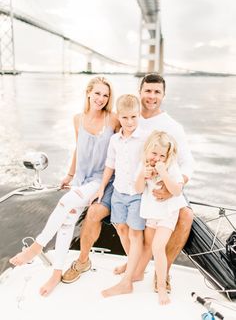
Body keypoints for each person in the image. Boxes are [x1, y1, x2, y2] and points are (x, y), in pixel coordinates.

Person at [62, 73, 194, 291]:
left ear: (163, 95)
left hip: (159, 182)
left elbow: (187, 163)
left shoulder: (172, 126)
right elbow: (100, 145)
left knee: (186, 214)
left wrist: (173, 189)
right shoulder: (122, 115)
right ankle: (83, 261)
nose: (151, 96)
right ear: (139, 91)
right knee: (95, 212)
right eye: (148, 91)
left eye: (157, 92)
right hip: (121, 183)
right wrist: (74, 175)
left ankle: (163, 272)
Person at [9, 76, 120, 296]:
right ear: (88, 92)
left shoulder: (113, 119)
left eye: (105, 95)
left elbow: (122, 149)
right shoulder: (77, 119)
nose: (101, 98)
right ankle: (56, 273)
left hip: (100, 180)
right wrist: (70, 174)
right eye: (97, 93)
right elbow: (78, 149)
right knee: (67, 221)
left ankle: (37, 247)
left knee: (65, 202)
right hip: (81, 178)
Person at [96, 94, 146, 297]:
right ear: (119, 117)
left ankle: (128, 282)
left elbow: (150, 163)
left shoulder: (145, 138)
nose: (130, 122)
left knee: (135, 234)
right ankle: (131, 264)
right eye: (125, 118)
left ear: (139, 114)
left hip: (137, 194)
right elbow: (110, 163)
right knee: (122, 229)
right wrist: (101, 188)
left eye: (134, 117)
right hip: (118, 191)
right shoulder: (115, 140)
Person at [135, 130, 187, 304]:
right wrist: (143, 175)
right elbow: (139, 189)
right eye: (154, 153)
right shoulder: (144, 165)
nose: (157, 158)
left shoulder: (171, 167)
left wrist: (164, 173)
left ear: (168, 156)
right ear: (147, 151)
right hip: (152, 213)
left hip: (168, 213)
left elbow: (177, 190)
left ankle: (162, 287)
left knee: (158, 247)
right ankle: (139, 272)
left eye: (162, 155)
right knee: (148, 245)